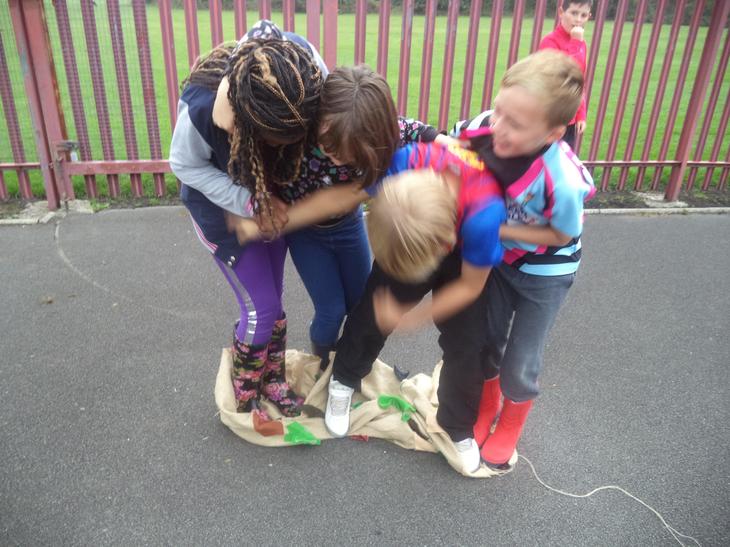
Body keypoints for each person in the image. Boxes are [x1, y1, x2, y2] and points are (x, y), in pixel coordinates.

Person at [232, 141, 505, 473]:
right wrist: (277, 223)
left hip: (467, 259)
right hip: (413, 227)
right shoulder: (403, 164)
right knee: (373, 309)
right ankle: (344, 377)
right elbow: (342, 197)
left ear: (445, 241)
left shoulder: (485, 216)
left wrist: (416, 318)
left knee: (469, 340)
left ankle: (457, 424)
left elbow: (471, 286)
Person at [228, 65, 440, 371]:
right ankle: (323, 363)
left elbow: (416, 131)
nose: (335, 157)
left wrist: (444, 142)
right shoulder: (300, 132)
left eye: (347, 152)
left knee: (359, 303)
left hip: (348, 225)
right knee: (331, 311)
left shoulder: (375, 130)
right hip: (307, 234)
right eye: (328, 145)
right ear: (318, 118)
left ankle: (347, 366)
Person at [168, 21, 325, 419]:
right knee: (260, 309)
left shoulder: (305, 70)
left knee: (274, 302)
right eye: (272, 138)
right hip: (225, 215)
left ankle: (272, 380)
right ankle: (246, 393)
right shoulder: (201, 108)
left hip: (272, 204)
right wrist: (250, 202)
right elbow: (184, 165)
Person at [451, 49, 595, 469]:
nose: (498, 126)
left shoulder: (562, 179)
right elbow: (452, 145)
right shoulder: (486, 126)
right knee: (486, 339)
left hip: (546, 271)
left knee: (521, 359)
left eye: (515, 124)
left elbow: (562, 234)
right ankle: (488, 404)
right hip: (501, 261)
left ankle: (512, 420)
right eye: (498, 110)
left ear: (553, 133)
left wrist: (496, 228)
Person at [539, 0, 592, 150]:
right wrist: (575, 43)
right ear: (561, 12)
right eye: (574, 13)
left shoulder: (581, 43)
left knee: (564, 159)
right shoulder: (549, 42)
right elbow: (565, 75)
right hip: (551, 118)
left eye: (583, 15)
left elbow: (579, 80)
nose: (578, 20)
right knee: (544, 158)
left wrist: (580, 115)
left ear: (589, 16)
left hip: (570, 119)